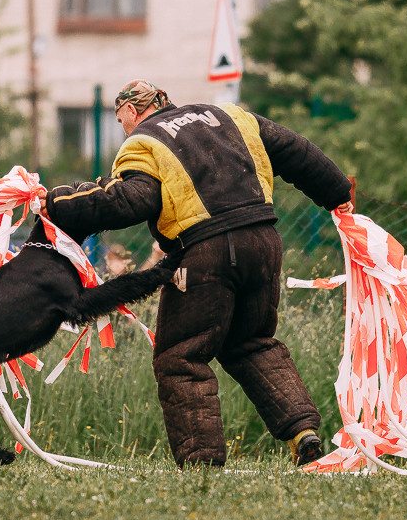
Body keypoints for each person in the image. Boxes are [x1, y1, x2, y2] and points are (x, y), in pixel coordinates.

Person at [45, 79, 353, 468]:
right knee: (252, 342)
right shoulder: (232, 116)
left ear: (135, 110)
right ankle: (302, 431)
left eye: (122, 119)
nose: (125, 128)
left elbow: (131, 201)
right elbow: (297, 151)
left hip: (203, 251)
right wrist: (338, 195)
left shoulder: (143, 142)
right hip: (264, 241)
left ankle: (201, 463)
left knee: (181, 357)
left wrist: (55, 203)